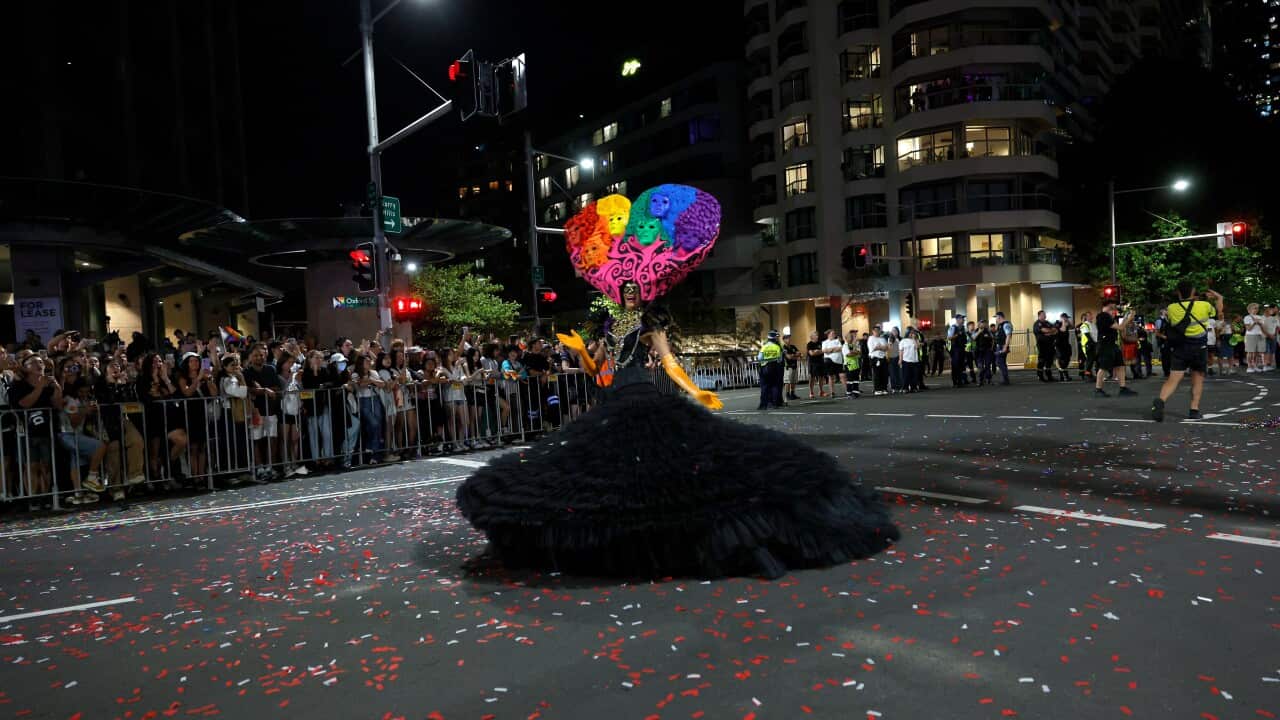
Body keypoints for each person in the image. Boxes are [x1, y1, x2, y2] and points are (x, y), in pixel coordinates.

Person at [458, 185, 898, 579]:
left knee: (667, 469)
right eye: (625, 288)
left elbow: (667, 361)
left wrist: (693, 390)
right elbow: (595, 368)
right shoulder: (608, 323)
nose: (630, 292)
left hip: (644, 395)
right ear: (617, 289)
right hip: (613, 399)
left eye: (635, 288)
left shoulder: (651, 318)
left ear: (642, 289)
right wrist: (579, 351)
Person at [1152, 282, 1222, 422]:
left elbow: (1173, 323)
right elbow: (1218, 314)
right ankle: (1194, 410)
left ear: (1178, 293)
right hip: (1199, 348)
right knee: (1197, 380)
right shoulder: (1204, 305)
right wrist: (1219, 298)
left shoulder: (1171, 308)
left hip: (1180, 348)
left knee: (1173, 380)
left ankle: (1161, 401)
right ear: (1193, 292)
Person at [1093, 301, 1138, 398]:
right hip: (1105, 345)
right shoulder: (1103, 316)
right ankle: (1098, 389)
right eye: (1112, 306)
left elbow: (1120, 327)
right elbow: (1120, 327)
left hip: (1112, 344)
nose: (1114, 308)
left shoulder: (1109, 317)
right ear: (1106, 306)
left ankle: (1123, 388)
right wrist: (1129, 318)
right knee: (1104, 367)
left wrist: (1126, 318)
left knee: (1120, 365)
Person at [756, 330, 785, 410]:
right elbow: (780, 359)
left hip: (765, 368)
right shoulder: (777, 347)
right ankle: (775, 404)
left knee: (764, 387)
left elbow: (760, 358)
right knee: (775, 386)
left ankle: (763, 405)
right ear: (774, 339)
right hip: (775, 368)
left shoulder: (764, 347)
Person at [1032, 310, 1057, 382]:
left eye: (1045, 314)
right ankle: (1040, 376)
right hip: (1042, 345)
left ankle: (1049, 376)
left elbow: (1055, 330)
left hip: (1050, 345)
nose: (1045, 315)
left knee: (1049, 361)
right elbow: (1044, 330)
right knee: (1042, 361)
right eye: (1043, 314)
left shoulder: (1047, 322)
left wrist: (1049, 331)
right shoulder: (1037, 323)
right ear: (1039, 315)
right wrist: (1049, 331)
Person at [1244, 303, 1267, 373]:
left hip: (1259, 335)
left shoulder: (1260, 317)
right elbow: (1248, 329)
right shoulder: (1247, 317)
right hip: (1251, 336)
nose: (1256, 309)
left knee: (1257, 352)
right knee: (1250, 352)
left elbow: (1263, 327)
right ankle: (1249, 366)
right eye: (1254, 308)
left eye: (1257, 308)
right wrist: (1254, 323)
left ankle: (1255, 366)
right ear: (1249, 310)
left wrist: (1260, 324)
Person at [867, 326, 889, 395]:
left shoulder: (882, 339)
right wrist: (881, 347)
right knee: (877, 374)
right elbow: (873, 349)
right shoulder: (871, 338)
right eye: (875, 330)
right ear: (872, 331)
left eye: (878, 330)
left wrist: (879, 347)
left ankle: (884, 388)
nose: (877, 332)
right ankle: (877, 389)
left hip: (883, 358)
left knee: (884, 374)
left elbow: (886, 348)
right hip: (875, 358)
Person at [947, 315, 968, 387]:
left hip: (962, 348)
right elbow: (949, 337)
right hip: (955, 349)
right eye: (962, 319)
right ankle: (955, 381)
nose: (963, 320)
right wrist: (957, 335)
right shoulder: (953, 327)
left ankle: (960, 381)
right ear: (958, 320)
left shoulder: (963, 328)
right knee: (956, 365)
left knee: (961, 365)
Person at [993, 312, 1012, 386]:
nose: (996, 319)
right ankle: (1005, 379)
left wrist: (1005, 346)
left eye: (996, 317)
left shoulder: (1006, 324)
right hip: (1000, 346)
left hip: (1002, 346)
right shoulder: (1001, 325)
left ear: (1000, 317)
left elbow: (1008, 335)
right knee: (1001, 362)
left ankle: (1005, 380)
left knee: (1000, 362)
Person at [805, 331, 827, 399]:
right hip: (812, 363)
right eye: (815, 335)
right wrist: (817, 352)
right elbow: (812, 354)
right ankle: (811, 392)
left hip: (820, 362)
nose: (817, 336)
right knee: (812, 378)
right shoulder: (809, 344)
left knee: (821, 377)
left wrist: (817, 351)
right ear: (812, 337)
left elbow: (824, 351)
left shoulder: (820, 343)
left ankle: (821, 391)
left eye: (817, 335)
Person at [899, 328, 922, 392]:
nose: (912, 334)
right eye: (911, 333)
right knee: (906, 375)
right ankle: (905, 388)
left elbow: (917, 347)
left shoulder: (916, 340)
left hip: (914, 360)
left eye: (913, 333)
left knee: (914, 375)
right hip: (906, 360)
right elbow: (901, 350)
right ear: (908, 333)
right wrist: (900, 360)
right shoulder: (903, 341)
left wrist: (914, 339)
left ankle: (913, 387)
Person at [841, 330, 862, 398]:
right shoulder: (845, 346)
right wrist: (855, 352)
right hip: (849, 365)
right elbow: (848, 354)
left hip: (855, 364)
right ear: (846, 338)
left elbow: (859, 353)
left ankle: (855, 392)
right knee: (850, 380)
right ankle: (849, 393)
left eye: (852, 337)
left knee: (856, 379)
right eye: (850, 337)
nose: (852, 338)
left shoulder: (853, 345)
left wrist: (854, 352)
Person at [1055, 313, 1074, 382]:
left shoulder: (1066, 323)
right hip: (1059, 345)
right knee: (1061, 360)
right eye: (1065, 318)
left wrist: (1068, 321)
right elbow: (1062, 330)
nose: (1067, 319)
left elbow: (1072, 327)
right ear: (1062, 318)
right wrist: (1063, 322)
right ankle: (1064, 376)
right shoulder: (1057, 323)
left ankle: (1063, 375)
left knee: (1067, 359)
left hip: (1066, 344)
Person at [1153, 308, 1172, 378]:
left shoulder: (1167, 319)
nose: (1168, 311)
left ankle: (1169, 371)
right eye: (1166, 310)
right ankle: (1166, 372)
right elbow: (1157, 332)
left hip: (1168, 341)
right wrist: (1164, 337)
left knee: (1169, 357)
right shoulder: (1159, 320)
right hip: (1163, 341)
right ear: (1162, 311)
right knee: (1165, 357)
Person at [1078, 312, 1096, 381]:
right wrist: (1094, 343)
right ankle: (1087, 375)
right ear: (1086, 317)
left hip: (1094, 344)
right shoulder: (1084, 325)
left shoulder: (1093, 324)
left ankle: (1090, 374)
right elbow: (1087, 335)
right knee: (1089, 360)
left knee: (1091, 360)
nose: (1091, 316)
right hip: (1088, 345)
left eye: (1091, 315)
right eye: (1089, 315)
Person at [781, 333, 800, 401]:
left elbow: (799, 354)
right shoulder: (784, 348)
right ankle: (787, 394)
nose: (789, 339)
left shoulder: (793, 346)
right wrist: (795, 355)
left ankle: (792, 393)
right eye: (787, 338)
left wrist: (793, 355)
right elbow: (788, 357)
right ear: (784, 340)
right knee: (787, 381)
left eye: (789, 338)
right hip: (788, 366)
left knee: (793, 381)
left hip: (794, 365)